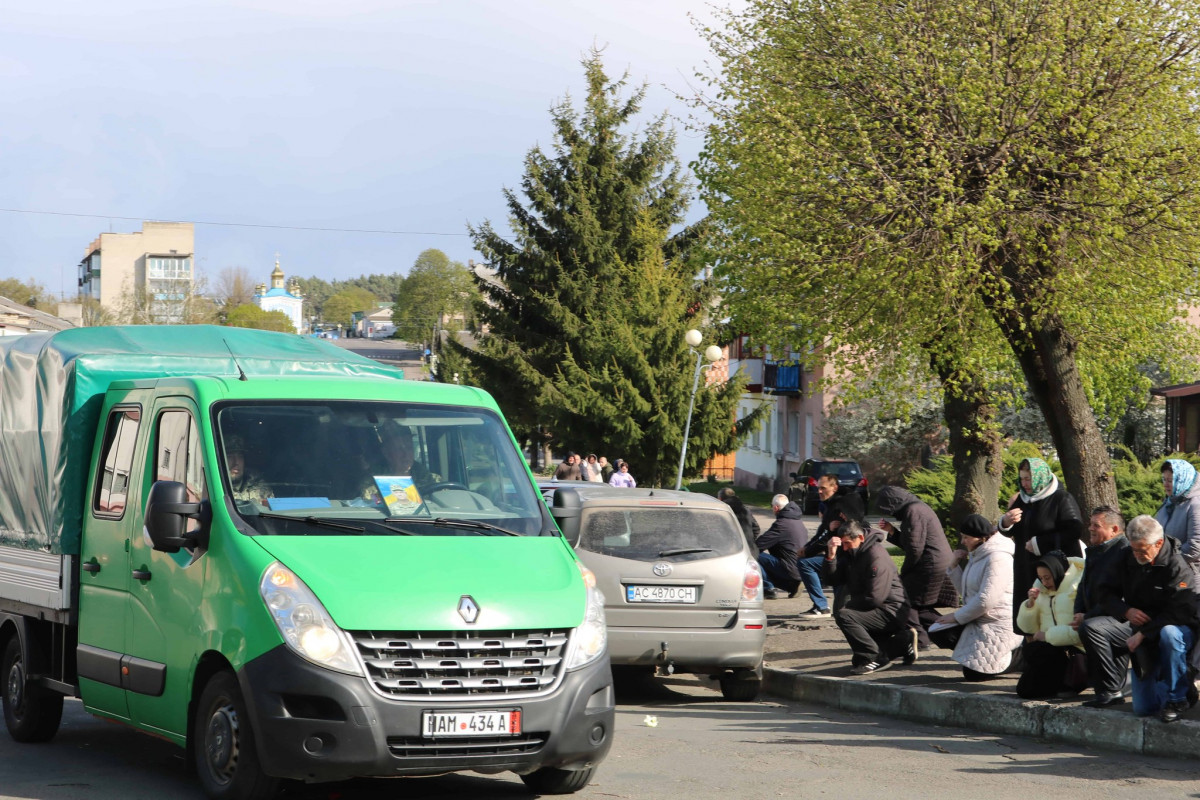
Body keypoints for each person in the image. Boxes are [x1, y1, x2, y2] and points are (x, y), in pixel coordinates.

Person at [1078, 515, 1199, 721]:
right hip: (1138, 625)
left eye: (1142, 550)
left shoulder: (1177, 566)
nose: (1137, 555)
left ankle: (1177, 697)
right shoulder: (1127, 557)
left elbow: (1180, 611)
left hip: (1173, 627)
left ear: (1158, 543)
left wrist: (1144, 633)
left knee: (1169, 634)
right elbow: (1104, 592)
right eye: (1133, 549)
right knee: (1144, 709)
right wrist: (1125, 610)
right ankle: (1161, 683)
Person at [930, 514, 1024, 681]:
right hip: (980, 618)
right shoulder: (978, 553)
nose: (963, 541)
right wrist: (953, 566)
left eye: (966, 537)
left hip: (996, 621)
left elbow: (986, 600)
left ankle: (1020, 655)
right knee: (938, 630)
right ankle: (975, 652)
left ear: (981, 537)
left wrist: (957, 616)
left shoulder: (997, 557)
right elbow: (968, 594)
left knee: (974, 675)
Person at [998, 457, 1085, 630]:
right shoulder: (1023, 499)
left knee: (1052, 618)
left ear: (1040, 477)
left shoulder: (1061, 498)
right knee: (1029, 618)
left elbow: (1074, 530)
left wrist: (1040, 543)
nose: (1024, 484)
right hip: (1025, 566)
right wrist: (1006, 522)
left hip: (1054, 568)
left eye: (1028, 478)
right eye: (1022, 479)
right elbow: (1014, 530)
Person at [823, 520, 912, 674]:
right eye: (842, 544)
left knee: (845, 616)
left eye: (847, 543)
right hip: (876, 608)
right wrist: (831, 556)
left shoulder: (876, 556)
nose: (844, 548)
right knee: (857, 661)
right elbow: (832, 580)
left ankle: (875, 657)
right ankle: (903, 641)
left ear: (860, 537)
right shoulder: (853, 552)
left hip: (891, 610)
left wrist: (849, 608)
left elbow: (875, 597)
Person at [875, 486, 955, 650]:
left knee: (905, 599)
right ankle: (949, 632)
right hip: (935, 561)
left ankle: (921, 639)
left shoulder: (913, 511)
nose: (890, 513)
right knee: (920, 606)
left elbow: (914, 548)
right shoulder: (917, 508)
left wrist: (905, 571)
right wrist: (892, 531)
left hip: (930, 563)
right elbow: (912, 542)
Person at [1015, 551, 1087, 699]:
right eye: (1041, 578)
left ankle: (1071, 682)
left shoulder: (1077, 587)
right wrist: (1030, 605)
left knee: (1039, 652)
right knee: (1025, 689)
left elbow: (1079, 631)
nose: (1044, 582)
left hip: (1076, 650)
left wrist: (1047, 635)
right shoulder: (1041, 589)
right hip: (1052, 647)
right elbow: (1028, 629)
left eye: (1047, 577)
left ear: (1058, 572)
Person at [794, 474, 845, 617]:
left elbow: (828, 537)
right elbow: (822, 533)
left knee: (806, 564)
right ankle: (826, 607)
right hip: (835, 556)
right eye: (818, 488)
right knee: (808, 562)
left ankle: (823, 607)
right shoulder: (829, 506)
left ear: (834, 488)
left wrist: (809, 550)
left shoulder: (839, 506)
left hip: (844, 557)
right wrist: (807, 548)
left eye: (823, 488)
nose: (819, 491)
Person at [1154, 458, 1200, 583]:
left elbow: (1195, 546)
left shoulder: (1195, 505)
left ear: (1183, 479)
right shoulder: (1169, 502)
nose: (1166, 484)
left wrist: (1166, 559)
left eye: (1171, 480)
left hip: (1189, 577)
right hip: (1168, 573)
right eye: (1164, 479)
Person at [756, 494, 807, 599]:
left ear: (776, 508)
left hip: (790, 569)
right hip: (799, 567)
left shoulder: (781, 524)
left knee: (753, 554)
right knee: (769, 562)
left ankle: (768, 588)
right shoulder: (798, 521)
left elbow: (759, 544)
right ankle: (792, 586)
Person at [225, 434, 274, 504]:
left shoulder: (260, 488)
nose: (236, 462)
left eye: (240, 456)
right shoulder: (214, 490)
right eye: (229, 456)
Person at [718, 487, 761, 556]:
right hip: (750, 551)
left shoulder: (723, 511)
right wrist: (748, 541)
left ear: (720, 499)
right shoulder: (745, 509)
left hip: (730, 553)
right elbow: (756, 529)